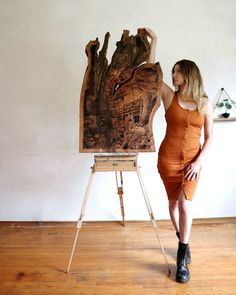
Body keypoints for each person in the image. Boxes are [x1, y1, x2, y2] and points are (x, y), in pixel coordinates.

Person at [140, 28, 213, 283]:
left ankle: (181, 257)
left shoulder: (204, 102)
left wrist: (200, 161)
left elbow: (210, 138)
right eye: (173, 71)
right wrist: (155, 41)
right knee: (172, 204)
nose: (174, 74)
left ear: (189, 73)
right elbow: (151, 73)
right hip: (168, 161)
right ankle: (184, 238)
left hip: (193, 164)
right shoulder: (170, 95)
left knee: (185, 203)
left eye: (178, 70)